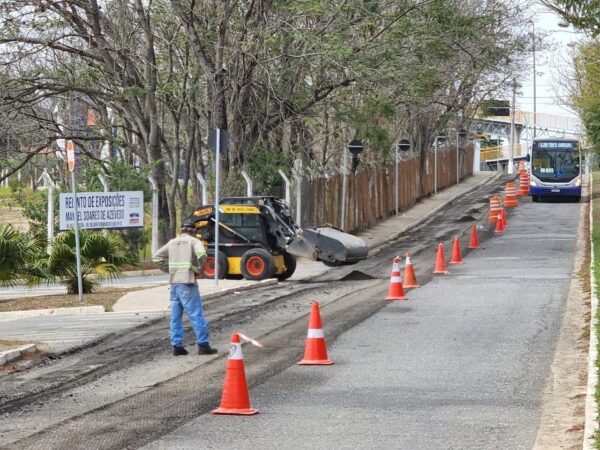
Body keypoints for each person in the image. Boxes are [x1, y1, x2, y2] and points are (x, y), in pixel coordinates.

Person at [152, 223, 217, 356]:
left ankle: (177, 346)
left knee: (175, 317)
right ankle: (203, 345)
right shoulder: (194, 241)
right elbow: (202, 255)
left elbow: (156, 257)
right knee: (196, 314)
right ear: (193, 231)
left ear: (181, 231)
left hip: (174, 284)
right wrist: (200, 269)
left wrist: (168, 269)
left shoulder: (172, 242)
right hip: (187, 283)